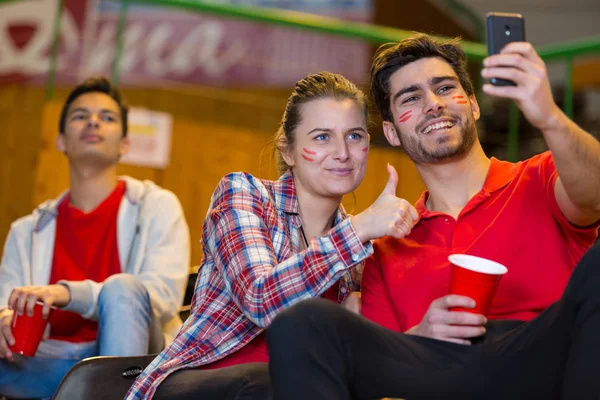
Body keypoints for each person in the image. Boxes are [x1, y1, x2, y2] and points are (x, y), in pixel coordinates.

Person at [266, 34, 600, 399]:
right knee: (304, 322)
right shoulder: (388, 248)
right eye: (411, 98)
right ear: (392, 132)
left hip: (545, 354)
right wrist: (421, 335)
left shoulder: (542, 177)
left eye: (444, 88)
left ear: (472, 104)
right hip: (442, 370)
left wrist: (549, 117)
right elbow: (378, 370)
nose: (434, 104)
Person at [125, 71, 419, 400]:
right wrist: (360, 229)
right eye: (322, 137)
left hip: (292, 390)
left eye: (354, 136)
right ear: (288, 150)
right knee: (268, 382)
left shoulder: (358, 252)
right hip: (198, 381)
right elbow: (260, 299)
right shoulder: (244, 194)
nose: (342, 152)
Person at [0, 77, 190, 399]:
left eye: (108, 117)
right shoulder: (26, 231)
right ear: (61, 140)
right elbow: (6, 303)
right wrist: (3, 318)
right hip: (45, 366)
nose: (93, 121)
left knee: (123, 288)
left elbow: (163, 296)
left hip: (133, 368)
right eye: (80, 115)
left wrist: (68, 293)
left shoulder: (156, 206)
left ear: (124, 144)